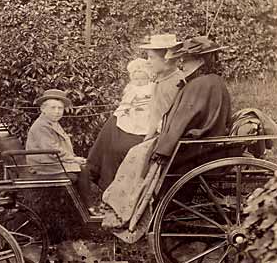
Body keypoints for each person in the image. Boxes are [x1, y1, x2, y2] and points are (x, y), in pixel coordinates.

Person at [87, 33, 185, 191]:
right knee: (113, 124)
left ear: (166, 58)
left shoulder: (171, 84)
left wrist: (146, 142)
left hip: (158, 139)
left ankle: (104, 181)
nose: (148, 62)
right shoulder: (166, 78)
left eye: (151, 58)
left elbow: (160, 119)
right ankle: (97, 175)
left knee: (115, 144)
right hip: (152, 130)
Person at [150, 36, 232, 170]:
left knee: (138, 154)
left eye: (186, 61)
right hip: (208, 144)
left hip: (194, 151)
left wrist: (163, 148)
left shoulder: (199, 85)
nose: (181, 65)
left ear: (200, 61)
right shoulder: (213, 80)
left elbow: (182, 121)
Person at [25, 88, 99, 214]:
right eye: (53, 108)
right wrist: (73, 159)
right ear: (43, 109)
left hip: (52, 161)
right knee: (82, 169)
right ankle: (88, 207)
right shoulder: (41, 126)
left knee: (85, 167)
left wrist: (73, 158)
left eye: (60, 108)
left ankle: (85, 206)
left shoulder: (52, 123)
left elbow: (61, 147)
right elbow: (51, 150)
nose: (57, 112)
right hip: (44, 164)